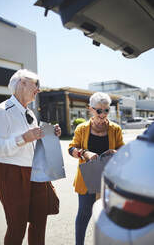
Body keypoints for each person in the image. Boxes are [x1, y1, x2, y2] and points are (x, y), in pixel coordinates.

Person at [0, 69, 61, 245]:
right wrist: (23, 139)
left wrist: (50, 134)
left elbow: (32, 142)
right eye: (36, 84)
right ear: (21, 83)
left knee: (39, 221)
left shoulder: (30, 113)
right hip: (10, 173)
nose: (39, 89)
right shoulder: (2, 110)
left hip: (35, 171)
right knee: (17, 227)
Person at [68, 92, 124, 245]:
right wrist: (84, 153)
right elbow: (71, 148)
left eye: (106, 110)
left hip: (109, 179)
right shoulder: (82, 128)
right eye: (99, 110)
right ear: (90, 110)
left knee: (108, 215)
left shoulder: (115, 129)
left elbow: (123, 150)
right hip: (88, 177)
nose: (103, 114)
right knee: (84, 213)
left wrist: (116, 152)